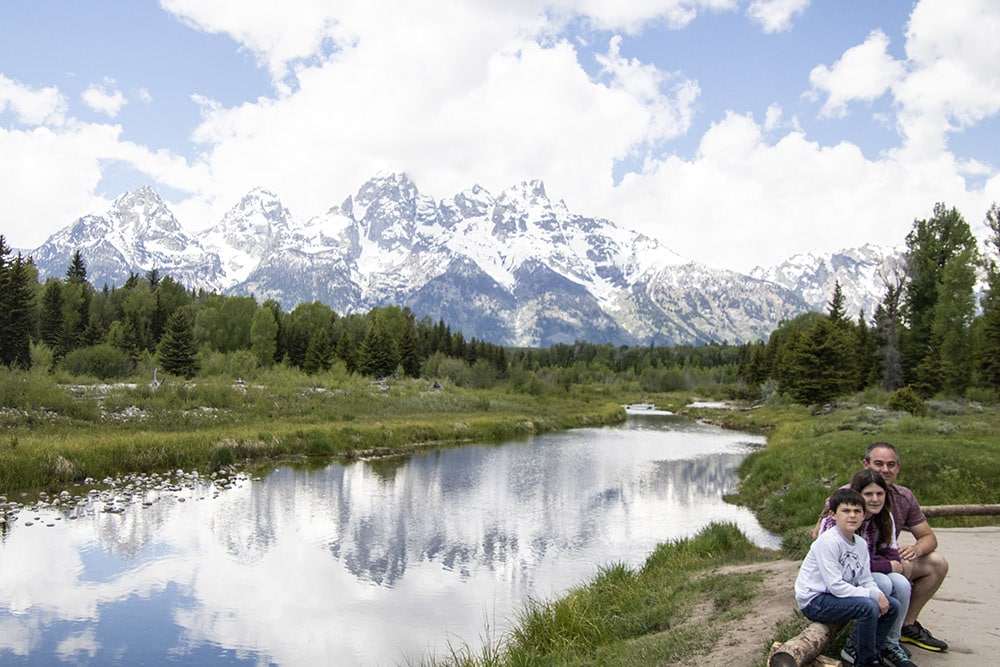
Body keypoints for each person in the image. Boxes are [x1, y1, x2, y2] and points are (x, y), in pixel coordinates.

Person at [815, 442, 949, 652]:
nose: (885, 470)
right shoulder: (846, 497)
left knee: (936, 563)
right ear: (865, 464)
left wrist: (915, 550)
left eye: (891, 464)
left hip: (883, 560)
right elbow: (820, 536)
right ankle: (861, 643)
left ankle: (905, 626)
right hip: (853, 567)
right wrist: (890, 564)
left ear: (898, 468)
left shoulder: (902, 498)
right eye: (878, 464)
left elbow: (928, 537)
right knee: (885, 582)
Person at [819, 470, 915, 667]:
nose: (875, 499)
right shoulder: (837, 522)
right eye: (868, 494)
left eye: (880, 494)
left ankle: (890, 643)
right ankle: (855, 645)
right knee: (884, 584)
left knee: (902, 584)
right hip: (844, 577)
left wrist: (885, 563)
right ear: (857, 495)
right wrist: (886, 565)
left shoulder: (885, 517)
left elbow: (893, 555)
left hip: (864, 573)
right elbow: (847, 560)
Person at [796, 488, 899, 667]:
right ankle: (865, 662)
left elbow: (865, 579)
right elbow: (835, 585)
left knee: (893, 606)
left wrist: (877, 593)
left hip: (835, 597)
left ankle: (874, 653)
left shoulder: (859, 543)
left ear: (863, 515)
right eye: (846, 511)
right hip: (815, 600)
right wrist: (872, 596)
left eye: (857, 511)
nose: (852, 516)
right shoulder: (828, 541)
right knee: (867, 607)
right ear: (833, 515)